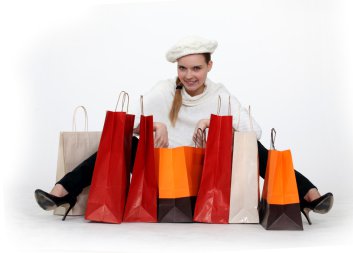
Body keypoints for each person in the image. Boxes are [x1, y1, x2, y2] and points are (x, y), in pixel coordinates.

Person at [35, 35, 333, 225]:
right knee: (127, 145)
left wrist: (217, 123)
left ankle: (308, 195)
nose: (189, 76)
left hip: (206, 175)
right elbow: (125, 128)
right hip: (166, 173)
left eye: (196, 68)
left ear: (210, 66)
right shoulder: (163, 91)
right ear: (176, 69)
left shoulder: (221, 93)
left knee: (254, 149)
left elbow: (252, 131)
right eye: (183, 69)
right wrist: (153, 125)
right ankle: (62, 191)